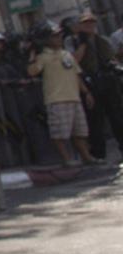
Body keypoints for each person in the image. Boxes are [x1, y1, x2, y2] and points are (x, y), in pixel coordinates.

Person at [27, 22, 98, 166]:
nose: (59, 38)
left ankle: (86, 156)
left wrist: (86, 92)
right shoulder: (43, 57)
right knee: (60, 133)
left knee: (80, 130)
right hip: (56, 98)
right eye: (54, 36)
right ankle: (67, 158)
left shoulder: (66, 54)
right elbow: (32, 71)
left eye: (59, 35)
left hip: (73, 96)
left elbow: (76, 74)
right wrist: (32, 55)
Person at [72, 12, 121, 161]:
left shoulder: (103, 40)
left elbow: (112, 59)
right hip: (89, 83)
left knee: (117, 117)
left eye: (92, 23)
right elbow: (74, 62)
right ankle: (98, 154)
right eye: (86, 24)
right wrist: (83, 44)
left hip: (108, 82)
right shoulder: (73, 41)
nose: (90, 26)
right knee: (95, 121)